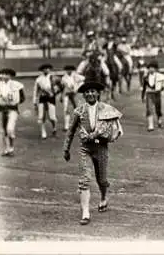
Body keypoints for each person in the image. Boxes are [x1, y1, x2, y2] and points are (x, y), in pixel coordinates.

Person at [62, 81, 123, 225]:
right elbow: (70, 131)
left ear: (98, 93)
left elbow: (115, 129)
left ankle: (103, 197)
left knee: (102, 179)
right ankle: (85, 212)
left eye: (93, 91)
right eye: (87, 92)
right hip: (85, 148)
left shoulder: (106, 109)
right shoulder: (78, 111)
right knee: (84, 180)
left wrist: (105, 135)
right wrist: (66, 148)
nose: (90, 94)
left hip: (101, 148)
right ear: (83, 95)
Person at [0, 68, 25, 156]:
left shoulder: (17, 85)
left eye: (7, 74)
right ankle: (6, 149)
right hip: (1, 109)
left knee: (10, 129)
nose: (4, 76)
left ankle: (11, 147)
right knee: (2, 130)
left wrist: (15, 102)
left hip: (12, 109)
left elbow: (22, 98)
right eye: (3, 74)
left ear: (11, 75)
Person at [33, 64, 59, 139]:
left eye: (48, 68)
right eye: (44, 68)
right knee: (41, 116)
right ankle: (43, 132)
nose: (46, 70)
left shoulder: (53, 78)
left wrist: (54, 92)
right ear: (42, 70)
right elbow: (35, 91)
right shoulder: (38, 79)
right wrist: (34, 101)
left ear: (50, 69)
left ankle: (54, 128)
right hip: (42, 98)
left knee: (52, 117)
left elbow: (59, 88)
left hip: (51, 98)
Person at [141, 60, 164, 131]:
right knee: (149, 109)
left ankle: (159, 118)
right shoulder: (145, 77)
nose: (151, 69)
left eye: (153, 68)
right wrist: (142, 97)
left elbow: (163, 87)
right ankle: (150, 125)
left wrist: (161, 87)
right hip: (149, 94)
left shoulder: (160, 76)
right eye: (150, 68)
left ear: (156, 68)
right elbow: (144, 88)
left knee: (158, 108)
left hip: (157, 94)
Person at [60, 65, 85, 131]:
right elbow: (63, 87)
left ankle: (80, 124)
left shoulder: (76, 76)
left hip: (75, 95)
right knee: (66, 109)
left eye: (70, 69)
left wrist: (77, 86)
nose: (69, 71)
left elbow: (83, 79)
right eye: (68, 69)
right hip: (67, 95)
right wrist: (61, 96)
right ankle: (66, 126)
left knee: (78, 109)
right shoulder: (64, 78)